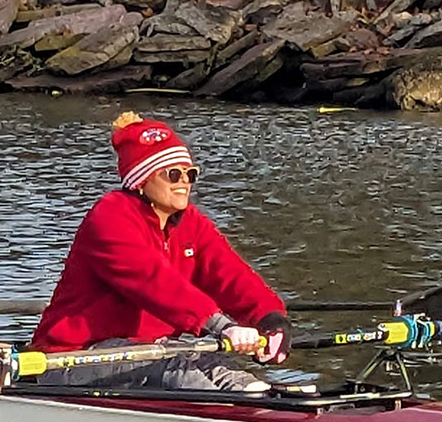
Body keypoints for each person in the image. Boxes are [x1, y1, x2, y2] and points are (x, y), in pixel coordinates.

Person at [31, 112, 291, 391]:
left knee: (220, 368)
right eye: (173, 174)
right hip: (73, 358)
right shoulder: (110, 217)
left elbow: (231, 274)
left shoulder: (192, 223)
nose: (184, 182)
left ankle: (264, 406)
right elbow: (154, 282)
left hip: (154, 350)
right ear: (140, 180)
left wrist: (270, 318)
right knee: (171, 368)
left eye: (190, 174)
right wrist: (222, 326)